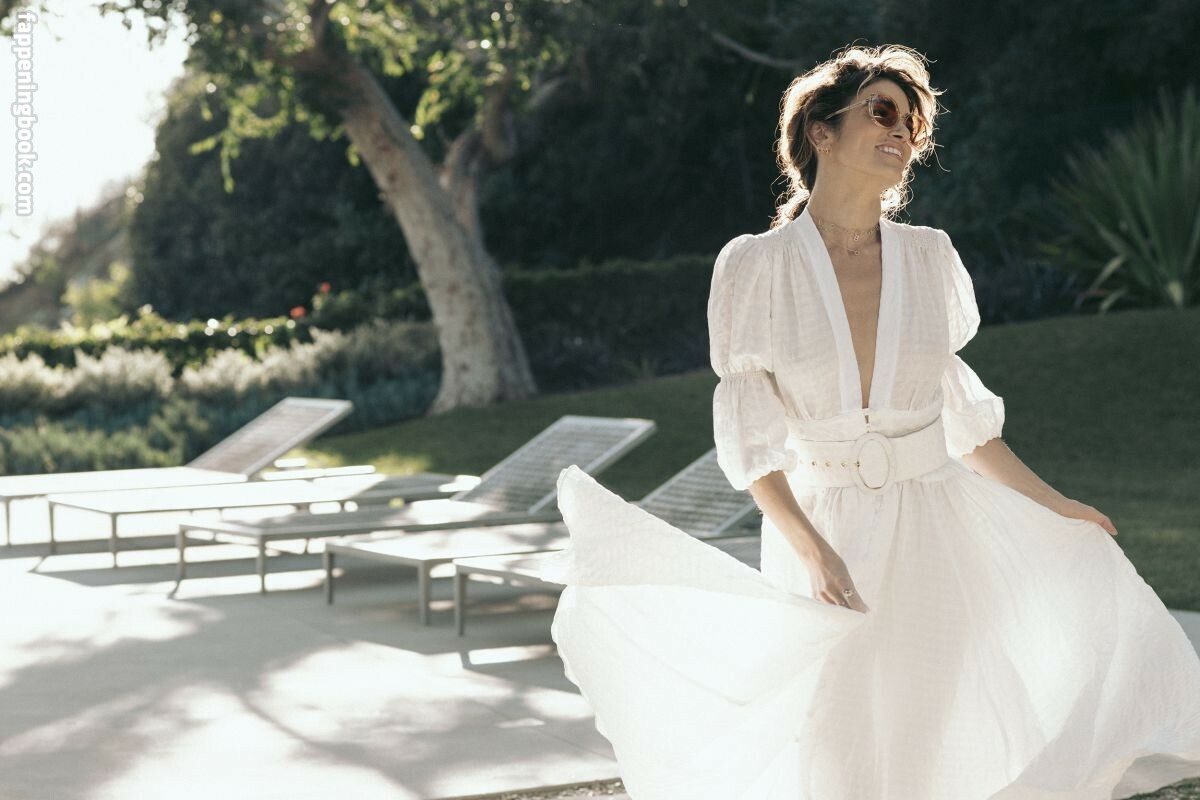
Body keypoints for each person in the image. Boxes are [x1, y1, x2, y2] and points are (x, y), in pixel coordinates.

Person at [540, 44, 1200, 799]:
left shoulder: (930, 257)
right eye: (882, 111)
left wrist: (1058, 507)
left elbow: (968, 428)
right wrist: (815, 553)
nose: (900, 132)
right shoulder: (756, 266)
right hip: (826, 527)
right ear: (821, 131)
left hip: (939, 527)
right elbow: (754, 445)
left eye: (912, 123)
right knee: (835, 734)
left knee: (927, 726)